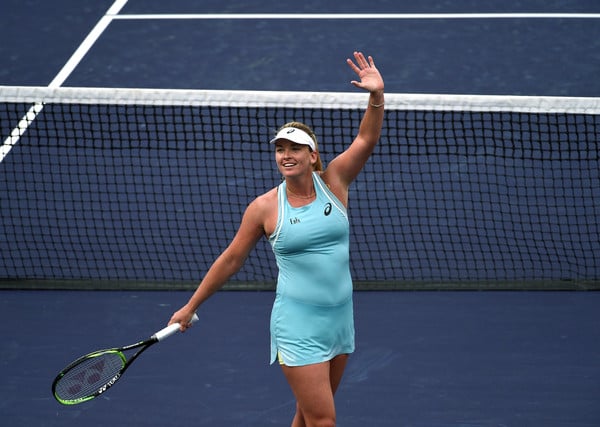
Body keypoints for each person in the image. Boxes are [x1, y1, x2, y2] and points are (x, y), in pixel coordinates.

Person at [168, 51, 384, 427]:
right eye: (280, 149)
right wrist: (191, 306)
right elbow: (231, 259)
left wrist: (376, 96)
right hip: (297, 325)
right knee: (323, 420)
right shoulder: (264, 208)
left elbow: (366, 138)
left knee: (306, 416)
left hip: (339, 319)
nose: (285, 155)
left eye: (294, 148)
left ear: (312, 155)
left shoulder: (334, 182)